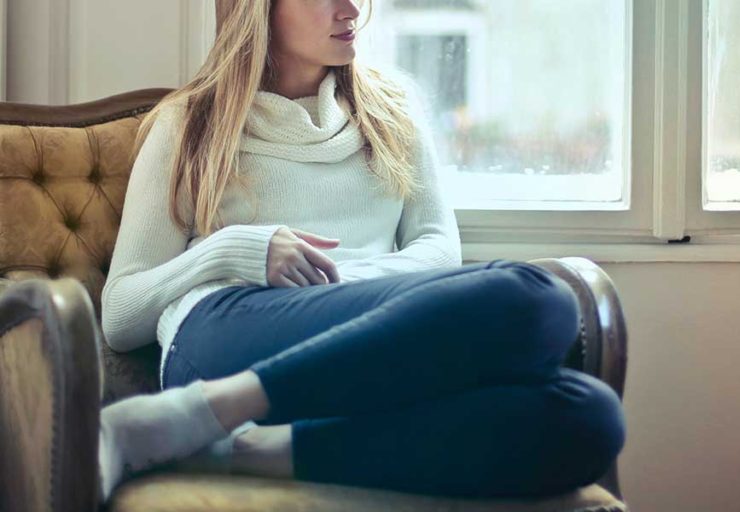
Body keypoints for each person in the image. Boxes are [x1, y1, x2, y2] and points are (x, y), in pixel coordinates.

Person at [97, 0, 626, 503]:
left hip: (366, 330)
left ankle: (241, 447)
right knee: (537, 300)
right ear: (259, 9)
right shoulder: (189, 123)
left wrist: (342, 282)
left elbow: (439, 250)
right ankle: (207, 407)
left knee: (589, 418)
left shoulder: (392, 109)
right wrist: (236, 249)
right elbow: (121, 311)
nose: (352, 9)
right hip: (226, 328)